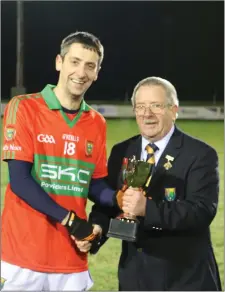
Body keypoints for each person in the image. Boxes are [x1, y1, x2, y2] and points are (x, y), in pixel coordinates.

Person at [1, 31, 128, 291]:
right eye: (75, 61)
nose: (81, 72)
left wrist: (119, 200)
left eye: (89, 66)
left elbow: (94, 184)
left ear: (97, 73)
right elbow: (20, 180)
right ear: (59, 62)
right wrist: (71, 221)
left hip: (72, 252)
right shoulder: (23, 107)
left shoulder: (96, 123)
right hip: (25, 254)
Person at [87, 76, 222, 291]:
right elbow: (111, 204)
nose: (147, 114)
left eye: (156, 106)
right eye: (140, 106)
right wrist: (96, 231)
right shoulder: (123, 150)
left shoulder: (200, 154)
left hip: (184, 280)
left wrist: (146, 209)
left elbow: (201, 211)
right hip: (135, 279)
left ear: (174, 110)